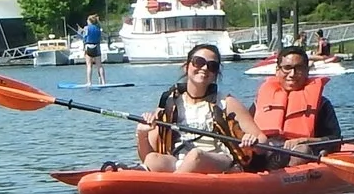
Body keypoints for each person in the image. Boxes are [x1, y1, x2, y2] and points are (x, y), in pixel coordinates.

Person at [139, 44, 251, 173]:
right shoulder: (169, 103)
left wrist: (250, 138)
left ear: (215, 74)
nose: (204, 68)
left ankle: (168, 187)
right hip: (180, 160)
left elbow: (260, 139)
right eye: (199, 62)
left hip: (217, 159)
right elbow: (147, 155)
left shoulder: (226, 102)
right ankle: (170, 182)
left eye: (212, 66)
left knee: (195, 155)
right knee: (153, 159)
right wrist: (142, 134)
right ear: (187, 67)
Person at [249, 44, 343, 168]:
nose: (292, 74)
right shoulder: (259, 103)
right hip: (267, 151)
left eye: (299, 68)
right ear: (278, 70)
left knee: (302, 150)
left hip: (300, 152)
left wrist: (303, 140)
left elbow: (335, 140)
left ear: (307, 71)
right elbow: (244, 131)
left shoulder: (322, 104)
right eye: (287, 68)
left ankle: (281, 179)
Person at [79, 12, 105, 86]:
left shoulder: (86, 28)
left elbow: (84, 36)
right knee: (99, 66)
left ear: (90, 21)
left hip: (88, 47)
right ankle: (103, 82)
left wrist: (81, 32)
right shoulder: (98, 28)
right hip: (97, 47)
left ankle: (89, 82)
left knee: (89, 65)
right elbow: (100, 36)